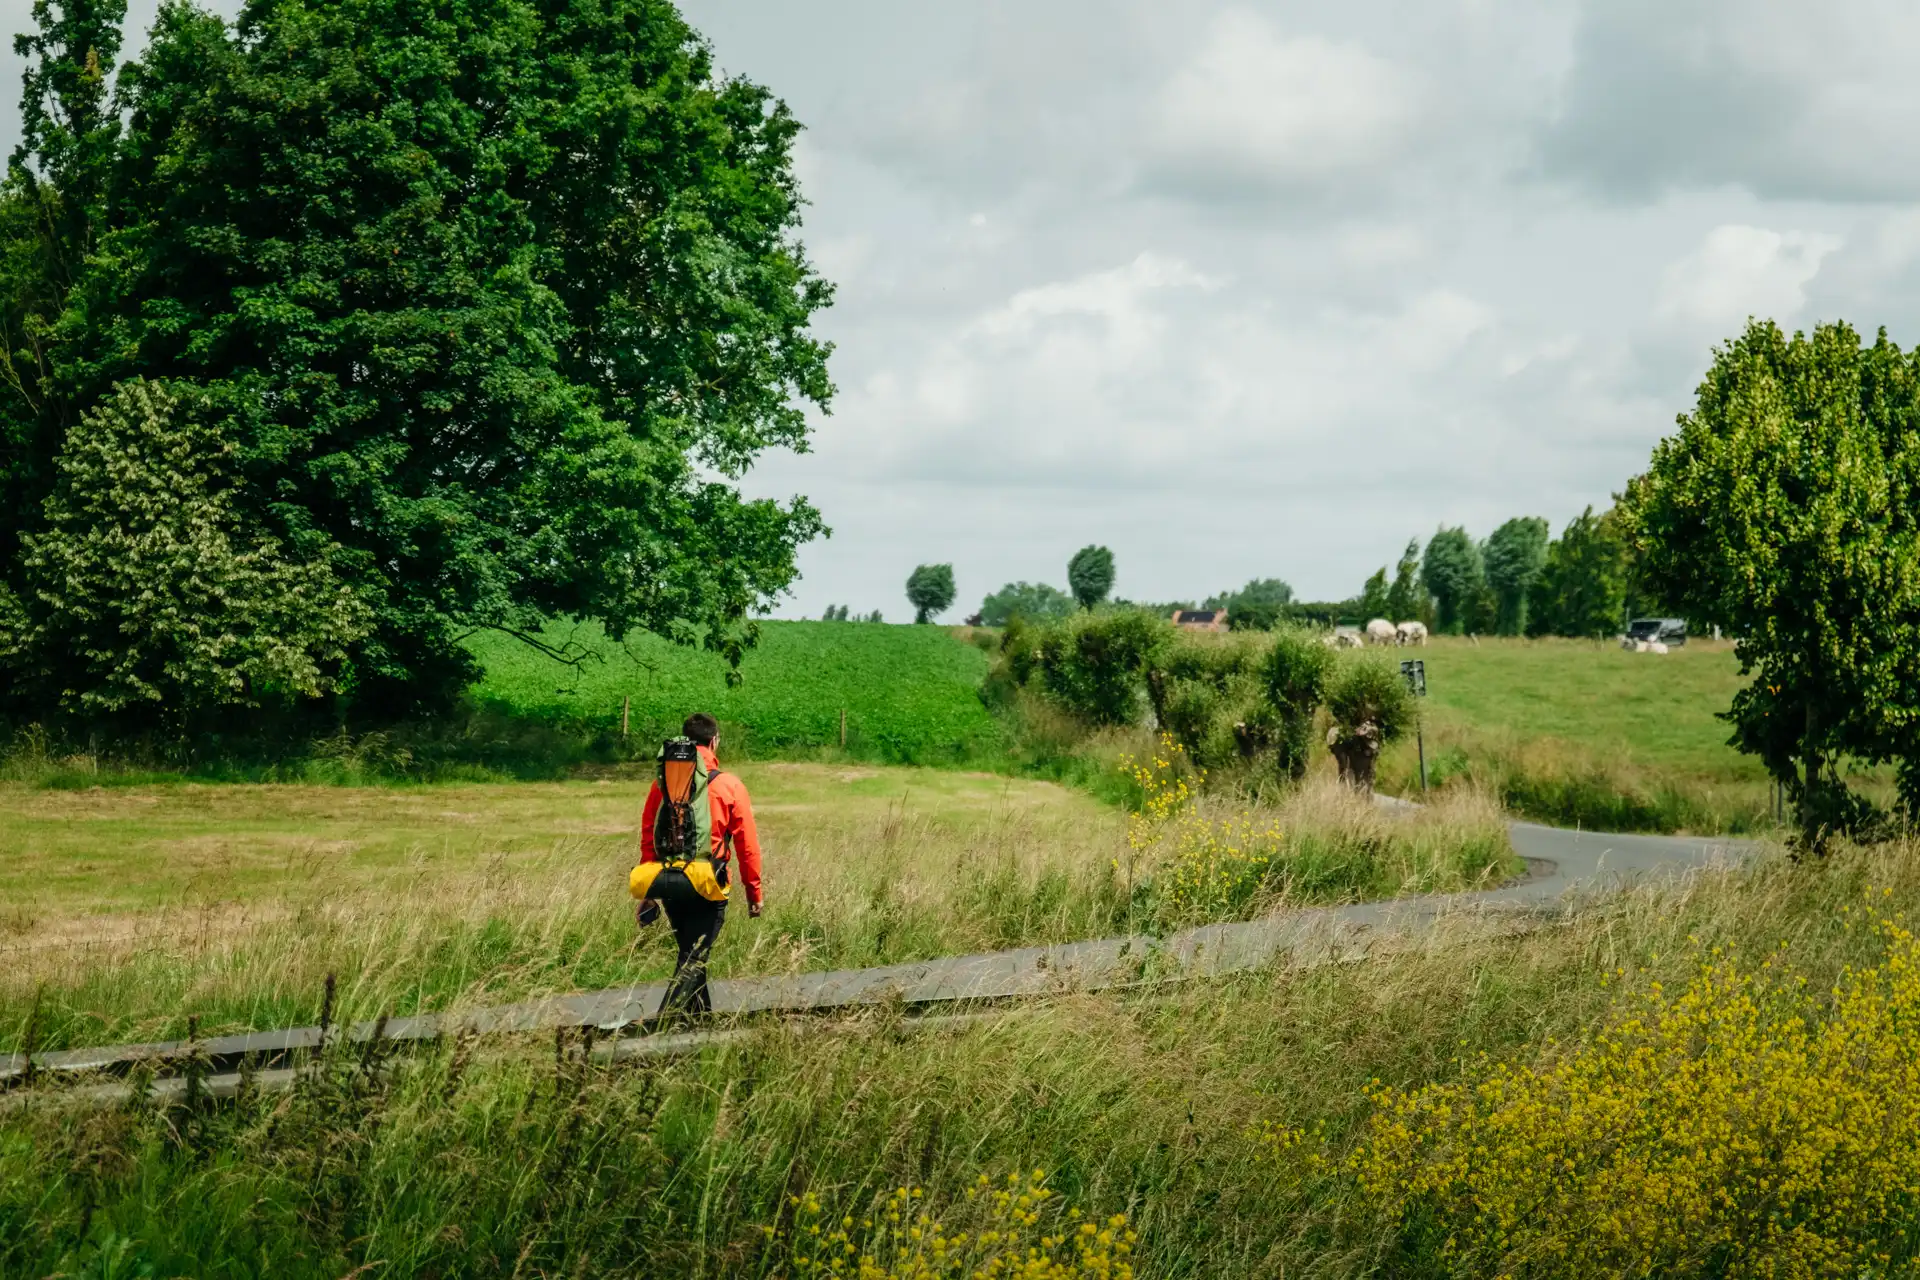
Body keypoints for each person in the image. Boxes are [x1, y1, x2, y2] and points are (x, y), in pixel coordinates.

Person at [633, 713, 763, 1020]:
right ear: (714, 740)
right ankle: (658, 1030)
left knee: (692, 955)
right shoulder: (730, 785)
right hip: (710, 883)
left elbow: (649, 836)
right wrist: (753, 892)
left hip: (670, 882)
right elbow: (747, 845)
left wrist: (650, 890)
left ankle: (699, 1027)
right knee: (693, 958)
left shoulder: (662, 784)